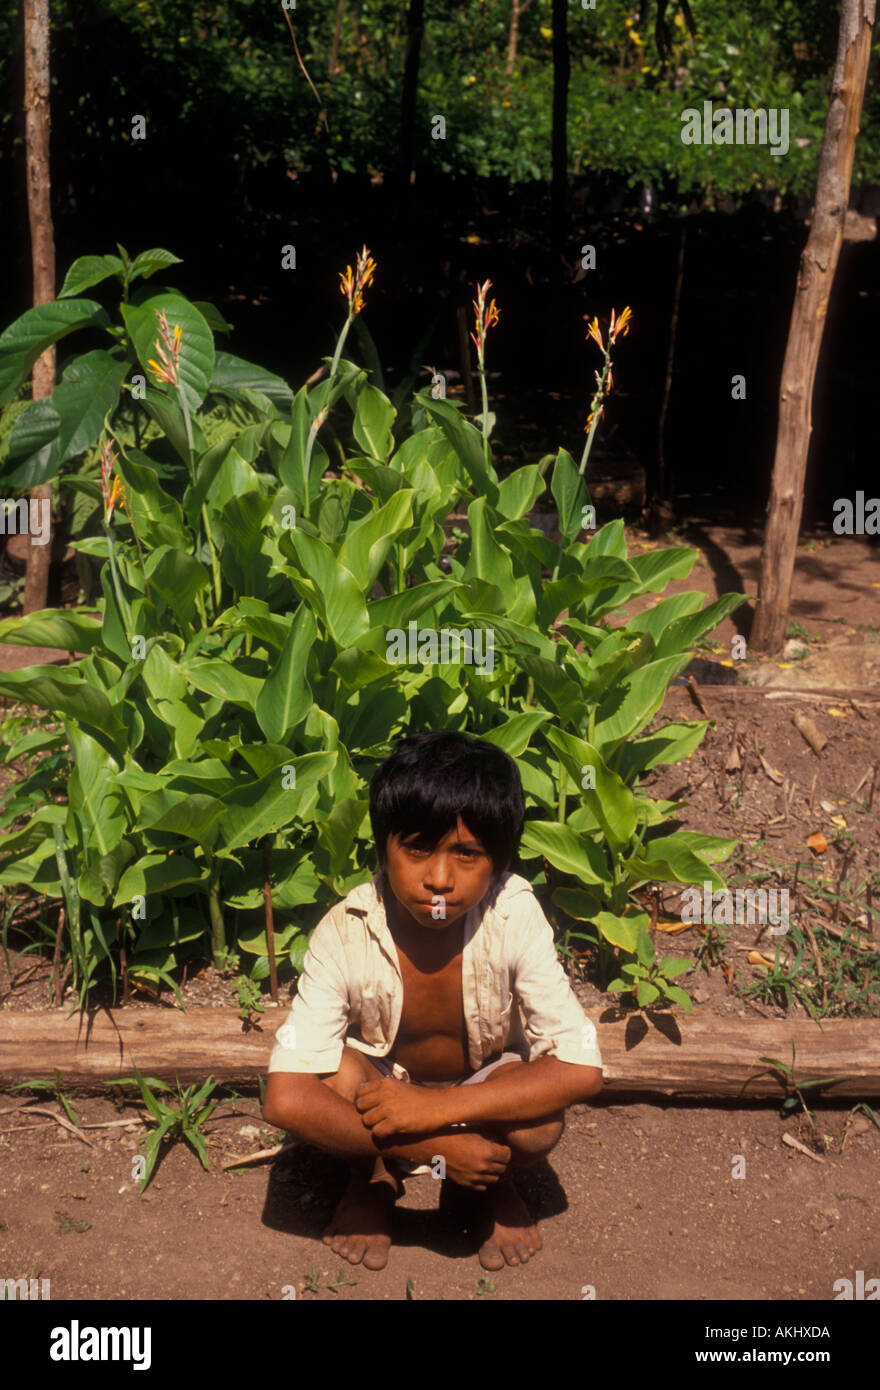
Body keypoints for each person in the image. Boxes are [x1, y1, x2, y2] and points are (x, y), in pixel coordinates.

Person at [262, 730, 603, 1272]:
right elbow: (284, 1100)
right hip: (382, 1093)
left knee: (537, 1123)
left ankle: (488, 1183)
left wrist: (439, 1110)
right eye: (417, 848)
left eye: (467, 854)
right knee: (329, 1077)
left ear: (500, 863)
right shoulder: (346, 929)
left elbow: (582, 1070)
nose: (439, 879)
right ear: (382, 847)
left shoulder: (513, 914)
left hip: (477, 1089)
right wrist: (429, 1147)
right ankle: (374, 1175)